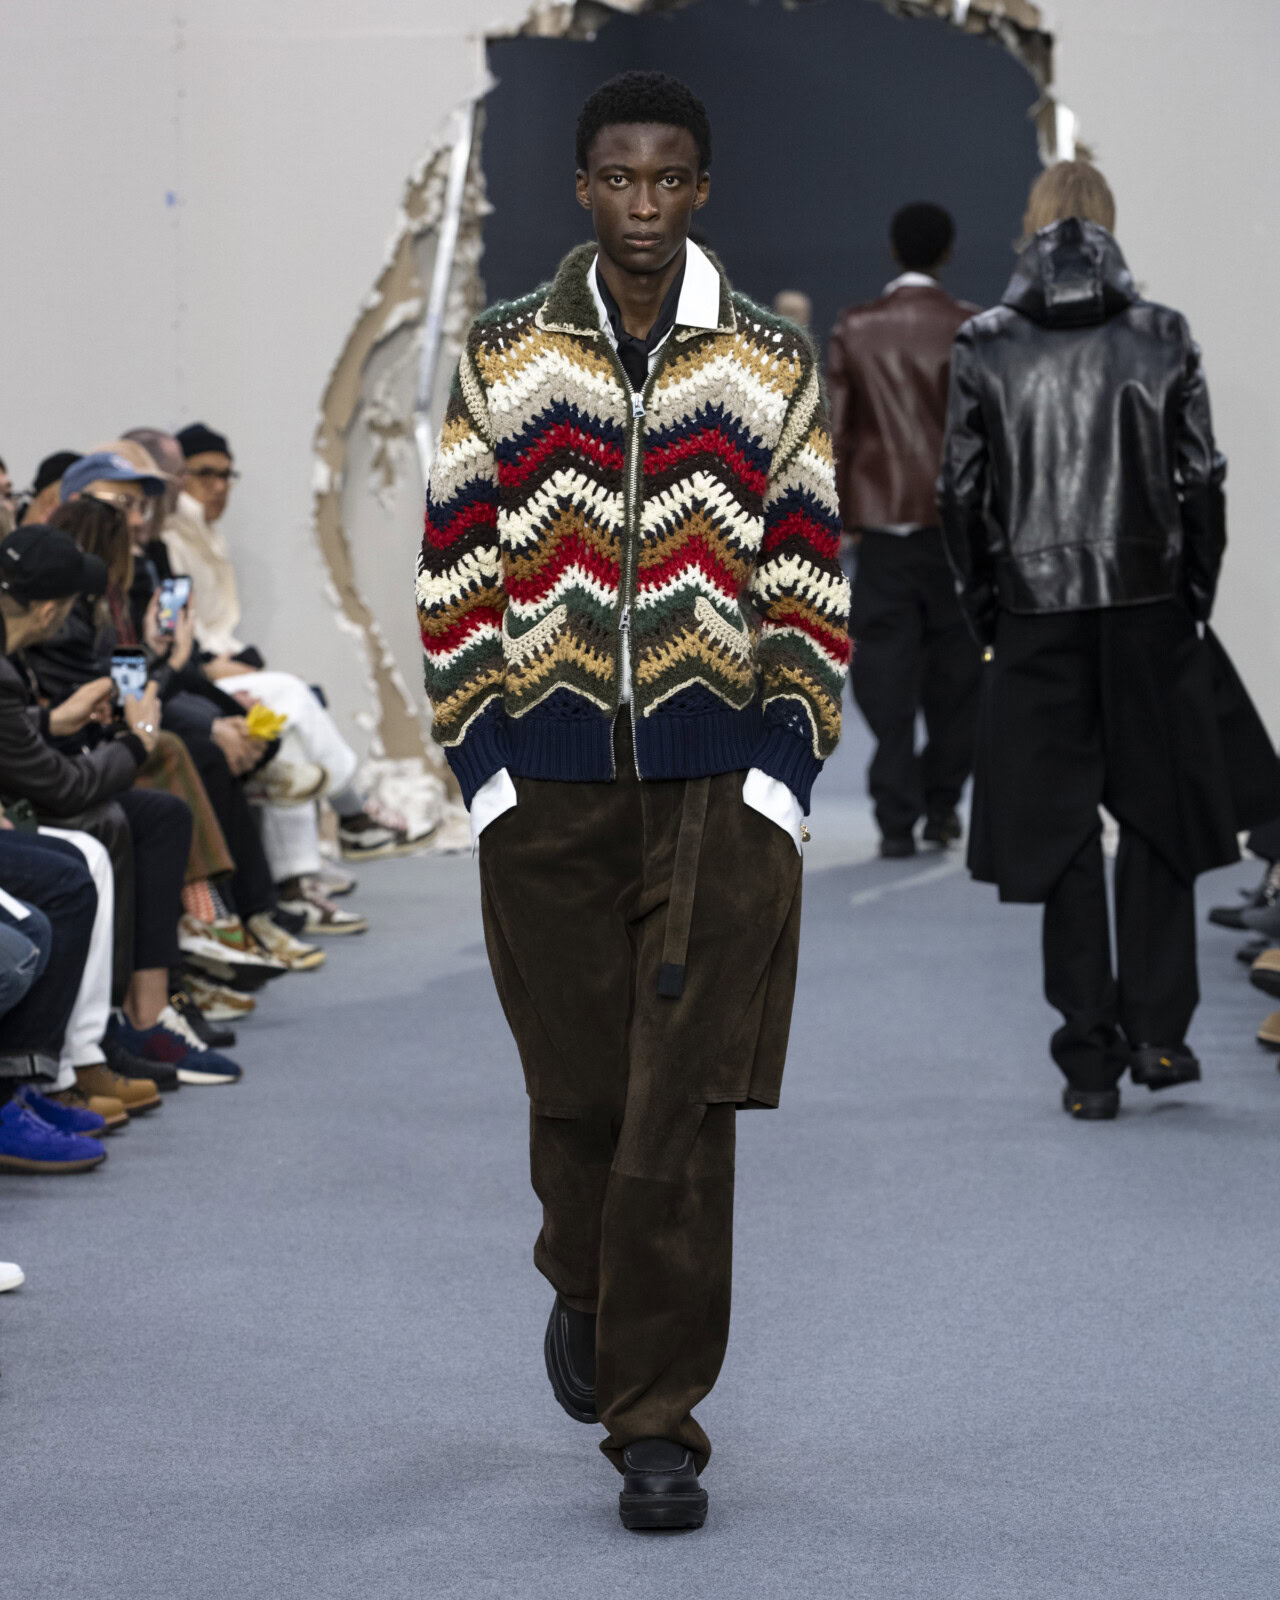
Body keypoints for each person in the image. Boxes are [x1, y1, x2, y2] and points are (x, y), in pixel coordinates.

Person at [417, 70, 849, 1529]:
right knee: (581, 1093)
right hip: (541, 794)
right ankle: (586, 1280)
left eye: (669, 180)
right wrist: (480, 766)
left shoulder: (770, 361)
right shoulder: (505, 351)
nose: (644, 205)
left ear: (701, 190)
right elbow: (455, 562)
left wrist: (783, 772)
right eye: (619, 178)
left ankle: (656, 1424)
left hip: (717, 792)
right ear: (582, 189)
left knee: (680, 1108)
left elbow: (809, 572)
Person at [938, 160, 1237, 1120]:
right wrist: (1193, 596)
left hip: (1034, 613)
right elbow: (1199, 480)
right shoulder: (1162, 335)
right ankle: (1160, 1036)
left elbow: (959, 494)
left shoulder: (986, 342)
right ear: (1109, 224)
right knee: (1157, 816)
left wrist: (988, 609)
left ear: (1031, 225)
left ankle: (1088, 1066)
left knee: (1060, 831)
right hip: (1150, 607)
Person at [828, 202, 983, 856]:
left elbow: (837, 435)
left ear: (894, 251)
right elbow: (987, 435)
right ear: (947, 253)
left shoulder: (856, 328)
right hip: (956, 535)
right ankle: (940, 807)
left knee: (884, 681)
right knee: (958, 680)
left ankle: (896, 820)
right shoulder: (973, 328)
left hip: (884, 534)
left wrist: (836, 521)